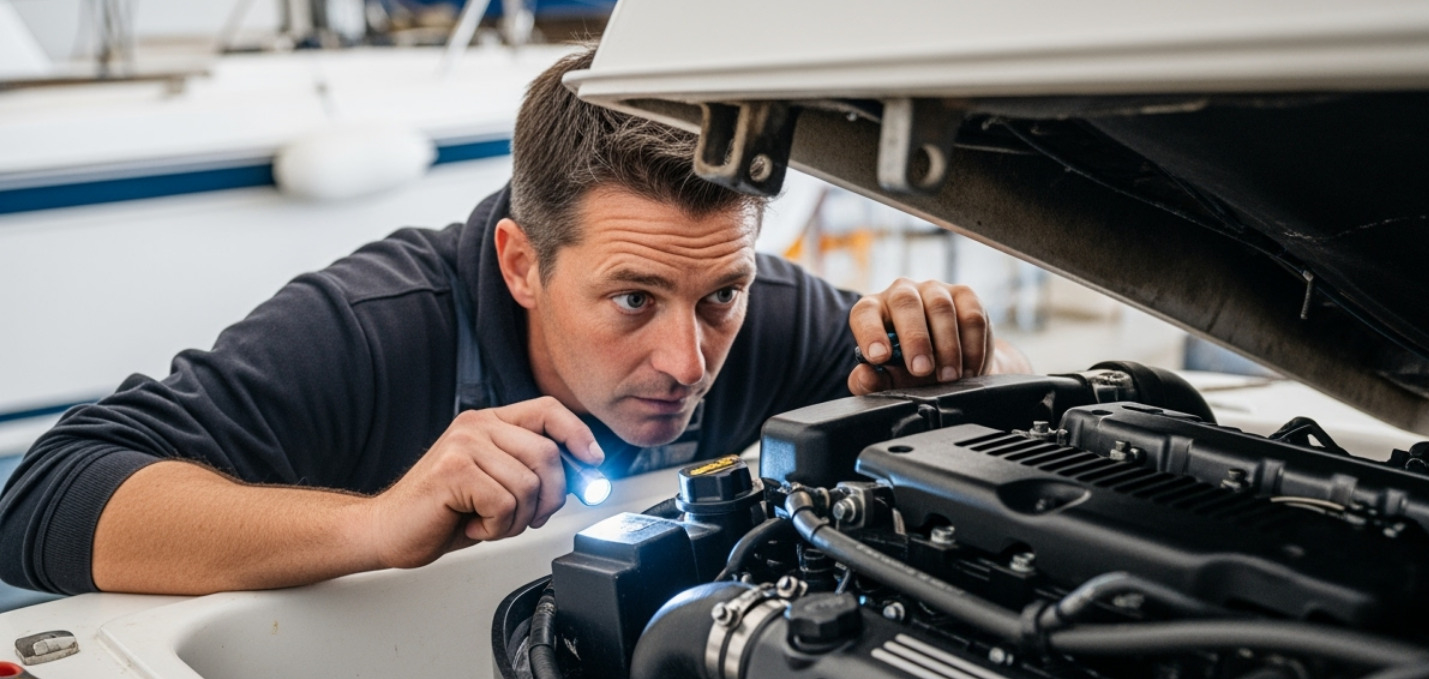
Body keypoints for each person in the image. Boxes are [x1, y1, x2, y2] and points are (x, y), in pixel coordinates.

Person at [0, 47, 994, 597]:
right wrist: (375, 522)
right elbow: (45, 498)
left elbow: (994, 431)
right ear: (522, 263)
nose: (688, 359)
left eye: (720, 296)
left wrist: (947, 374)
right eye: (633, 299)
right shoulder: (375, 327)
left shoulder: (761, 311)